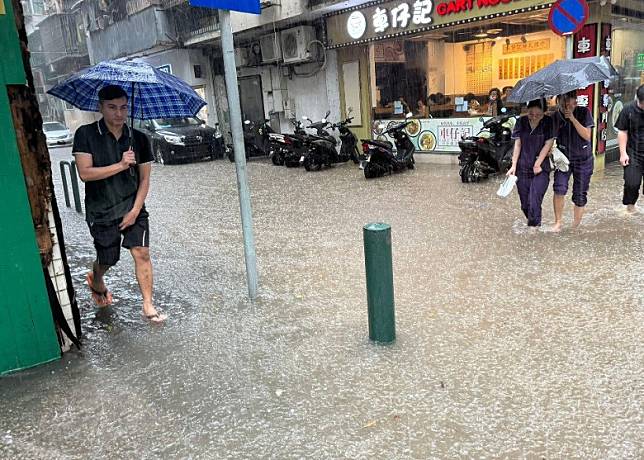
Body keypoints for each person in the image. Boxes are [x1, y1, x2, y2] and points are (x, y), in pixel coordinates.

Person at [72, 85, 166, 323]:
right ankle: (96, 278)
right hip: (101, 210)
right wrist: (121, 165)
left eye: (124, 107)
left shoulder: (140, 139)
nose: (119, 113)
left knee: (142, 252)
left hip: (132, 206)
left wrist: (135, 211)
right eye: (112, 107)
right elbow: (85, 173)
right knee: (108, 259)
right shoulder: (85, 134)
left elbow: (145, 180)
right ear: (101, 107)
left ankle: (147, 304)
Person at [506, 99, 555, 228]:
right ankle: (534, 223)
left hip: (541, 169)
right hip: (522, 168)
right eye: (531, 114)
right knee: (524, 204)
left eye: (538, 115)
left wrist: (538, 164)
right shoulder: (521, 122)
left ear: (544, 113)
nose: (534, 117)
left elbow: (548, 143)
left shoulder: (548, 122)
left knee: (534, 200)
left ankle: (534, 229)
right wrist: (514, 165)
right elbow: (518, 144)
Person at [551, 90, 595, 231]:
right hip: (564, 159)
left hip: (583, 160)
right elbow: (550, 139)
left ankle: (575, 227)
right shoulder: (555, 116)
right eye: (562, 102)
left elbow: (587, 136)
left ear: (575, 101)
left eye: (569, 102)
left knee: (580, 193)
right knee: (559, 188)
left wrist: (573, 119)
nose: (566, 105)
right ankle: (558, 222)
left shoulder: (584, 112)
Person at [615, 84, 644, 213]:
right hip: (633, 152)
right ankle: (630, 208)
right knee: (632, 183)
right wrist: (623, 153)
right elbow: (622, 131)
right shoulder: (628, 110)